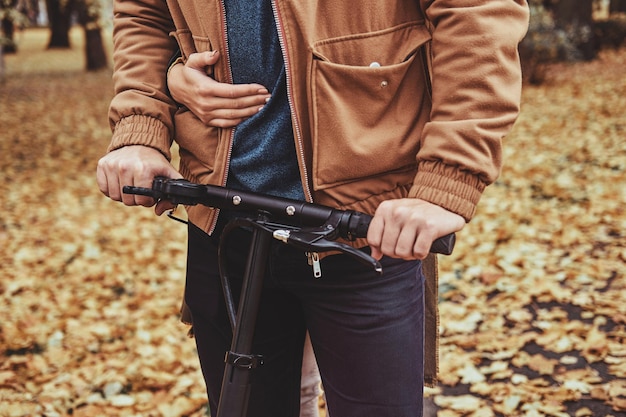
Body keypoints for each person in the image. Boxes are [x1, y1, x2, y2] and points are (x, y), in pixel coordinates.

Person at [96, 1, 529, 417]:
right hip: (223, 221)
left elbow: (477, 15)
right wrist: (142, 122)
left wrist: (448, 177)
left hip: (363, 229)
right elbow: (144, 12)